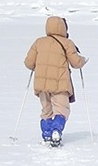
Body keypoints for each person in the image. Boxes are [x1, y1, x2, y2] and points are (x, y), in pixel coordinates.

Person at [23, 16, 89, 146]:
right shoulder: (67, 43)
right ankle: (56, 131)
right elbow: (76, 63)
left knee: (46, 110)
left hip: (41, 85)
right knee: (62, 109)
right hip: (60, 84)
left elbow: (29, 63)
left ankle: (46, 134)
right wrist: (83, 60)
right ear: (64, 28)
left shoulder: (39, 42)